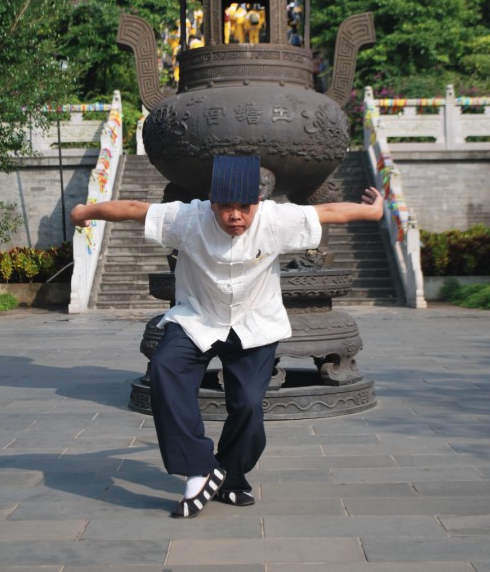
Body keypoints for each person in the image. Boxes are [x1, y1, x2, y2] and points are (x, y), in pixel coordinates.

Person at [70, 155, 384, 519]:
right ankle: (200, 466)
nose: (235, 216)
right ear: (210, 202)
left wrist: (373, 212)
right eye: (225, 207)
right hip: (197, 318)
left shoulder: (275, 220)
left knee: (248, 404)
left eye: (244, 208)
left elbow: (329, 212)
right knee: (165, 367)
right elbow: (133, 209)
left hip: (255, 323)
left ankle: (231, 476)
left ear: (258, 202)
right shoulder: (187, 218)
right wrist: (84, 212)